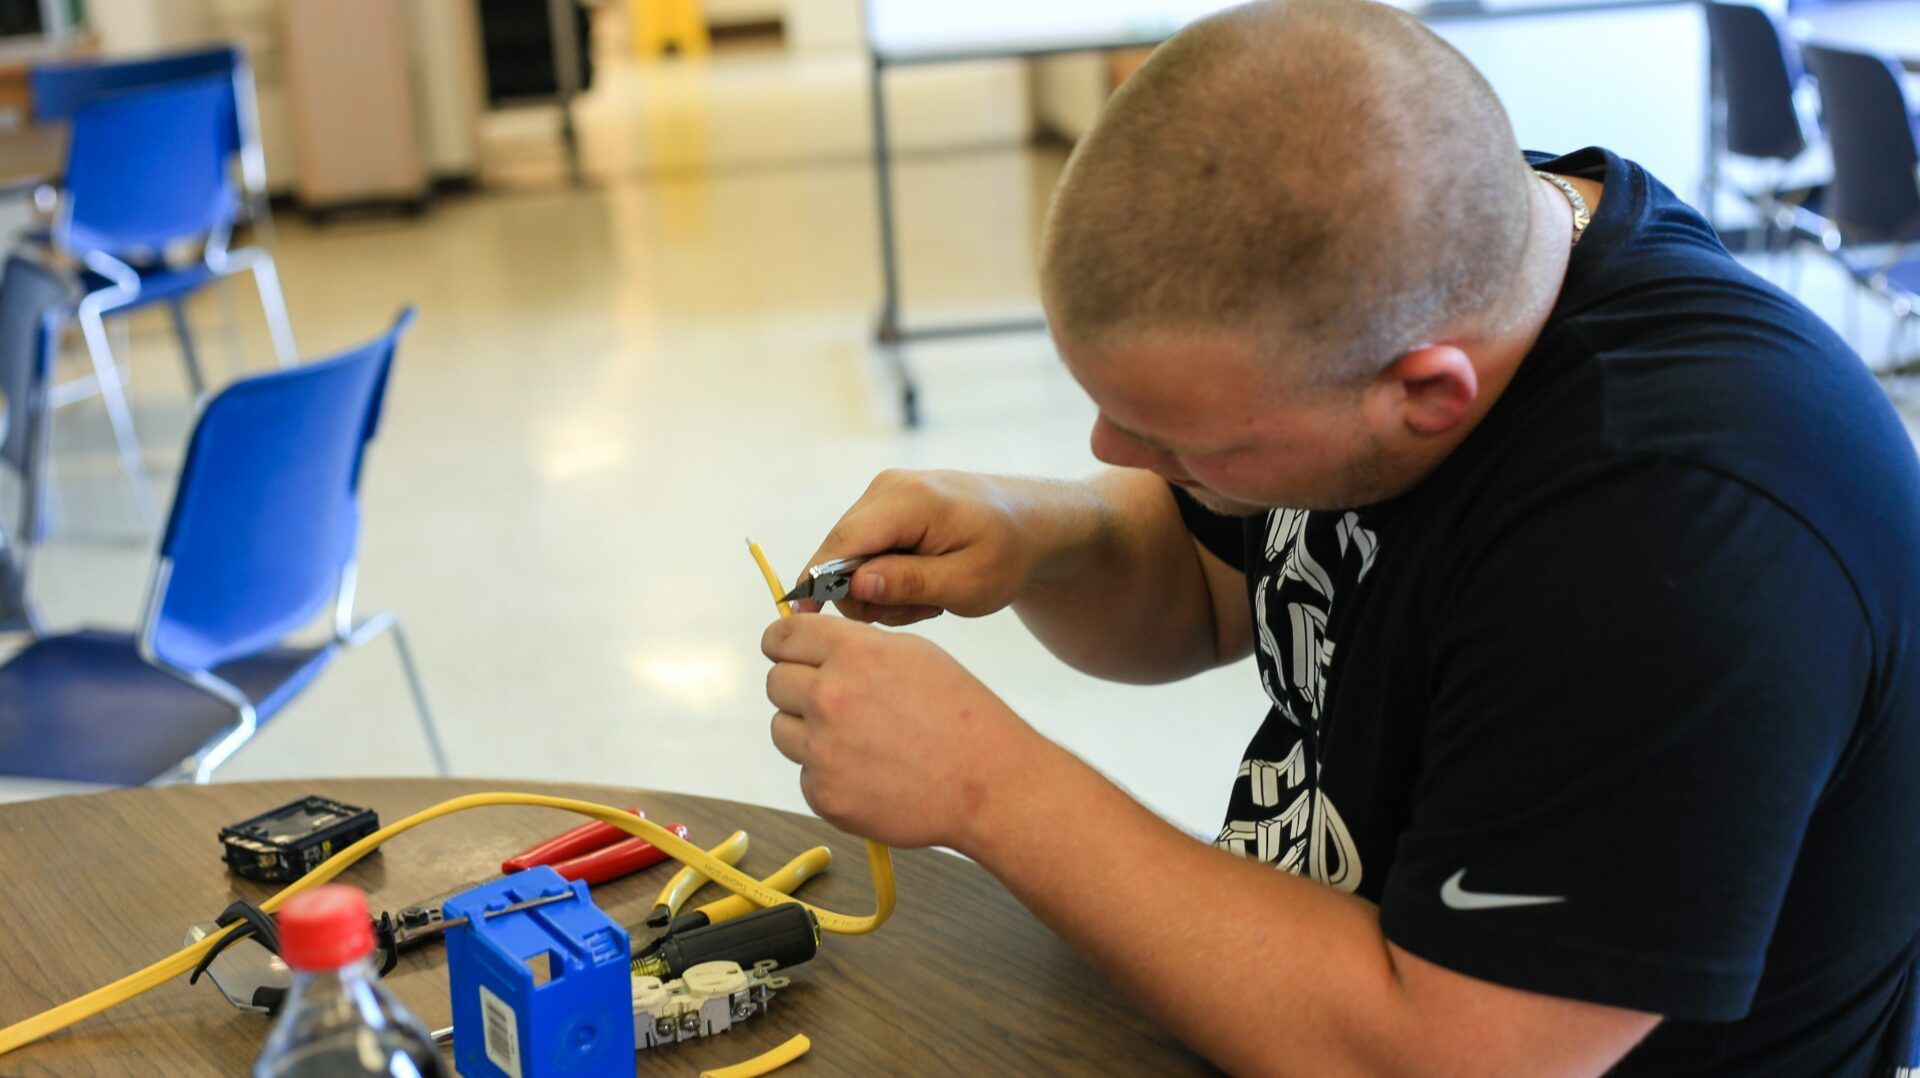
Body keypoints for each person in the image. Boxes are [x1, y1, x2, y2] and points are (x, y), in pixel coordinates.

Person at [758, 0, 1920, 1072]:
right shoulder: (1431, 253)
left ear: (1427, 393)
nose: (1113, 452)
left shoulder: (1679, 549)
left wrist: (986, 783)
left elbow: (1441, 1056)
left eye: (1183, 435)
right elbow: (1212, 590)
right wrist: (1038, 535)